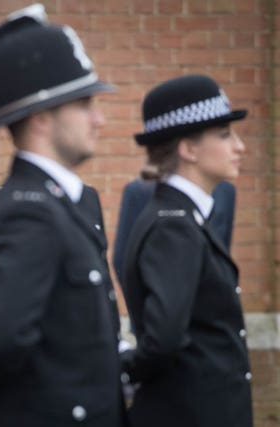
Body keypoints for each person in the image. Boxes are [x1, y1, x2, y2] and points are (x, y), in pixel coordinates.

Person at [0, 4, 127, 426]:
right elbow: (4, 342)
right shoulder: (28, 209)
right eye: (84, 103)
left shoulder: (61, 201)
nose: (100, 119)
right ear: (40, 117)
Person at [120, 74, 253, 427]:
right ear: (188, 149)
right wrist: (125, 369)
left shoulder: (186, 216)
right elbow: (164, 340)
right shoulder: (173, 225)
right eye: (225, 135)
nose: (239, 146)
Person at [112, 177, 235, 283]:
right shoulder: (141, 191)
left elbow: (223, 255)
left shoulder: (226, 192)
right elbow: (124, 261)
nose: (239, 148)